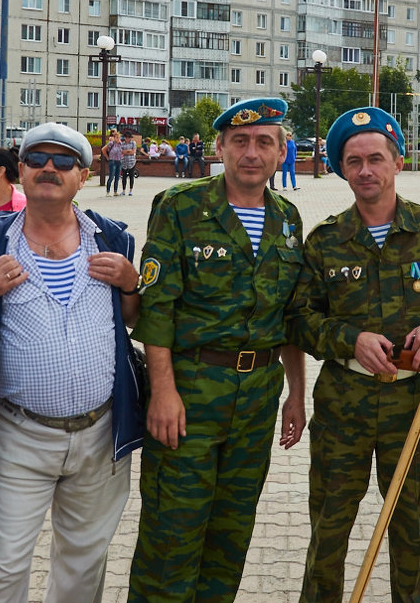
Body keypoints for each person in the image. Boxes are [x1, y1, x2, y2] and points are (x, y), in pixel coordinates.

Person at [0, 122, 143, 603]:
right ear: (22, 171)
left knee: (82, 569)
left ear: (85, 176)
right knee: (1, 571)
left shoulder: (112, 239)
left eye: (64, 161)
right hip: (20, 434)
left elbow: (136, 322)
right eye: (37, 159)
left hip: (101, 435)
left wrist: (132, 285)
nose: (49, 168)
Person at [292, 107, 420, 602]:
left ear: (398, 162)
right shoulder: (325, 241)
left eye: (376, 158)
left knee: (411, 534)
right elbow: (300, 319)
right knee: (328, 533)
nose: (365, 171)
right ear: (341, 168)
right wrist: (348, 339)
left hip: (412, 407)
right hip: (343, 404)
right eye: (353, 161)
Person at [129, 98, 306, 603]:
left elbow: (289, 319)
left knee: (231, 534)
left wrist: (296, 395)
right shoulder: (181, 207)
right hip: (190, 396)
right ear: (221, 148)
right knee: (172, 536)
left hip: (256, 400)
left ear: (280, 153)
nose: (252, 153)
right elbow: (157, 309)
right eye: (241, 142)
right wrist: (162, 391)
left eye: (264, 143)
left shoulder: (288, 219)